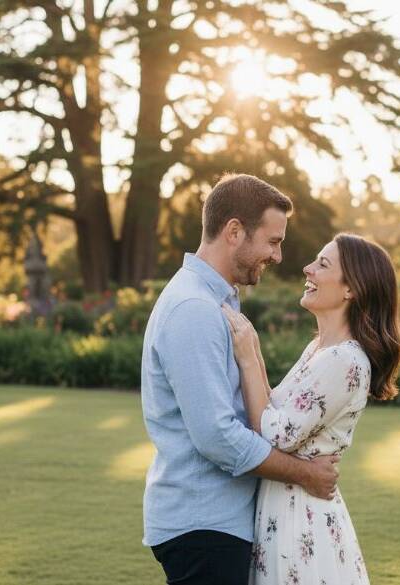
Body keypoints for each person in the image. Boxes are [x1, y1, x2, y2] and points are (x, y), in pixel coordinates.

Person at [141, 173, 341, 585]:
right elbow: (217, 436)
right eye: (273, 241)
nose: (278, 256)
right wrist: (306, 473)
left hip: (216, 524)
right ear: (234, 232)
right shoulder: (194, 308)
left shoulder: (218, 301)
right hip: (203, 526)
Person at [223, 233, 400, 585]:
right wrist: (254, 353)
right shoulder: (319, 349)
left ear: (351, 288)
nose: (307, 268)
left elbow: (275, 433)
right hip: (285, 507)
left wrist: (247, 358)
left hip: (300, 520)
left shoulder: (345, 360)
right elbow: (273, 407)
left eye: (322, 264)